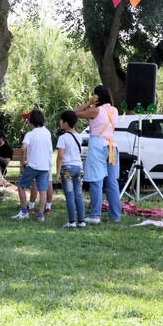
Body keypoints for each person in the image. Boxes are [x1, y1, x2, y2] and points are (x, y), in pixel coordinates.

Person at [75, 85, 122, 224]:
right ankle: (115, 216)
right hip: (112, 146)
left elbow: (75, 113)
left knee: (96, 181)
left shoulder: (95, 110)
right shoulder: (115, 110)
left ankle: (95, 215)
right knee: (112, 182)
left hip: (98, 145)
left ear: (97, 97)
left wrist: (89, 102)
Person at [12, 109, 52, 222]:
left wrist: (22, 162)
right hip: (45, 166)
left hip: (33, 165)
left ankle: (24, 211)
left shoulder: (30, 134)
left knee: (21, 186)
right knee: (43, 190)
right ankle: (40, 215)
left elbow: (23, 148)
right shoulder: (47, 133)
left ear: (31, 120)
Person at [56, 110, 85, 228]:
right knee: (79, 193)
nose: (60, 122)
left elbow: (60, 156)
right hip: (79, 169)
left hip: (67, 169)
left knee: (69, 194)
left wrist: (58, 172)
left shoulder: (63, 138)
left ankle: (72, 221)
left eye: (61, 120)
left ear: (66, 123)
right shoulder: (79, 136)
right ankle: (82, 221)